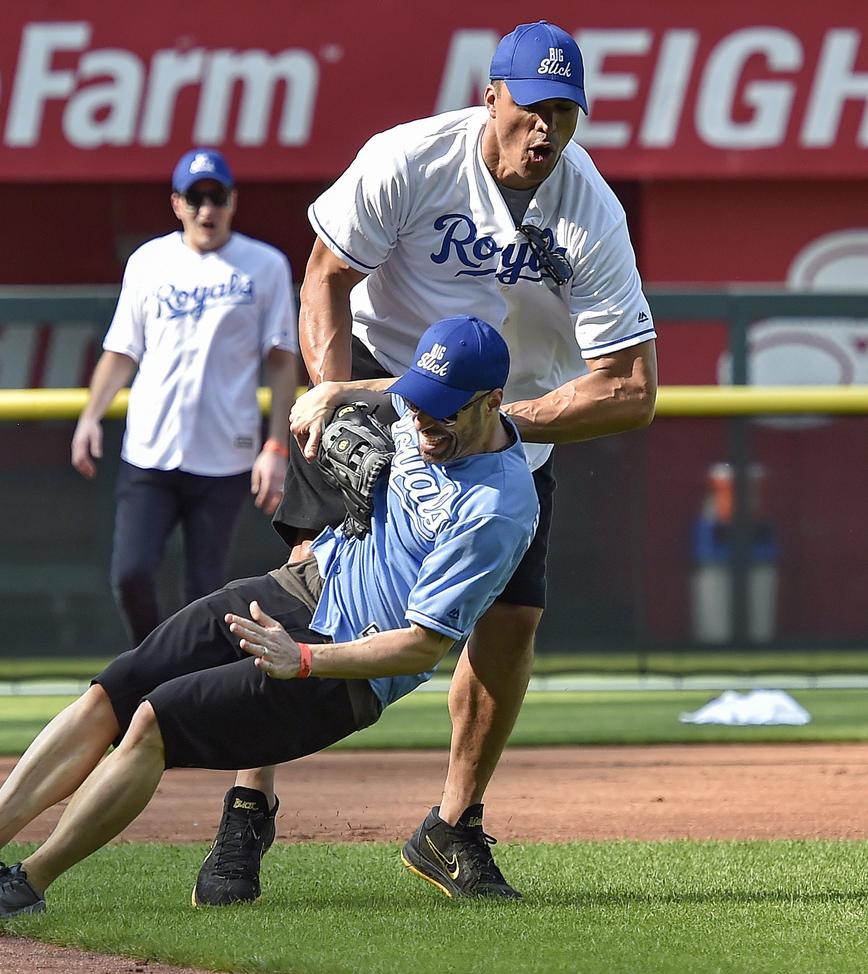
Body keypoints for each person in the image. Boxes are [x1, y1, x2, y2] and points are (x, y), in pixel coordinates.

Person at [196, 19, 658, 903]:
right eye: (530, 109)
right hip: (381, 384)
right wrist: (331, 408)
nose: (546, 131)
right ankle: (248, 808)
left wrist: (493, 420)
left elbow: (632, 387)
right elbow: (326, 273)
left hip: (500, 425)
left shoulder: (590, 209)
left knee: (510, 625)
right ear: (492, 99)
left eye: (564, 113)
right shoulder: (411, 159)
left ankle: (452, 826)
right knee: (310, 586)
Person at [0, 315, 539, 919]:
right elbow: (389, 397)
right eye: (417, 400)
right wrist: (336, 391)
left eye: (441, 408)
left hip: (343, 668)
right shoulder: (425, 406)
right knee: (120, 687)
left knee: (157, 721)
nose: (421, 419)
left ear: (491, 401)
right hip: (300, 587)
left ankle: (25, 884)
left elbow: (422, 647)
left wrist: (304, 660)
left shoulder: (495, 510)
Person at [71, 147, 298, 647]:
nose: (206, 210)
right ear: (176, 203)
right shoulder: (149, 261)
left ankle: (188, 689)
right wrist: (90, 416)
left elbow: (282, 362)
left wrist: (276, 447)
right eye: (195, 198)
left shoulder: (264, 266)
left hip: (225, 455)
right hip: (150, 450)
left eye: (216, 197)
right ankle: (151, 664)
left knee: (204, 590)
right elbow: (122, 351)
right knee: (130, 575)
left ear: (233, 201)